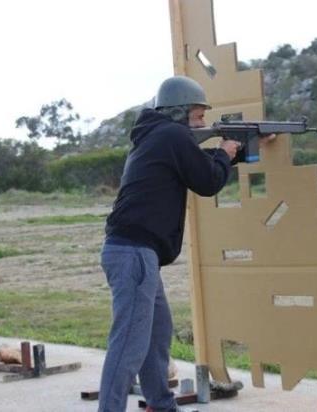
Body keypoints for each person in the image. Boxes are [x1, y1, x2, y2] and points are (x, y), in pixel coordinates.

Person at [98, 75, 245, 412]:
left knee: (156, 334)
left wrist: (231, 153)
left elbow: (196, 168)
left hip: (135, 252)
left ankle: (161, 405)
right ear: (178, 114)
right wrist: (224, 152)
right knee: (129, 346)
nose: (202, 124)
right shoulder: (173, 135)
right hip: (134, 254)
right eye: (197, 117)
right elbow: (208, 181)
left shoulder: (159, 135)